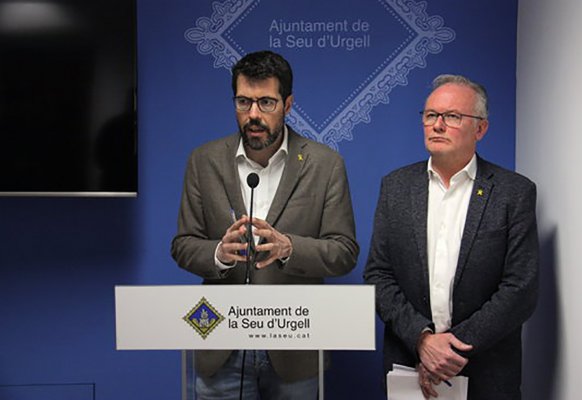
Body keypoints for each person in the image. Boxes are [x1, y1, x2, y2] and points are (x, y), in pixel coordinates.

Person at [171, 50, 359, 399]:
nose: (253, 114)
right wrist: (218, 254)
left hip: (295, 349)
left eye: (266, 103)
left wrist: (290, 248)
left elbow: (344, 252)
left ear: (288, 105)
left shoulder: (325, 164)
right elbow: (183, 245)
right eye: (244, 102)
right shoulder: (203, 160)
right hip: (220, 346)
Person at [363, 74, 539, 399]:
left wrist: (450, 350)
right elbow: (378, 274)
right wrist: (422, 339)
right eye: (431, 115)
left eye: (452, 116)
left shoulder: (514, 193)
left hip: (487, 373)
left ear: (480, 128)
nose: (438, 125)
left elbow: (520, 289)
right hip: (411, 366)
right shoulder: (396, 187)